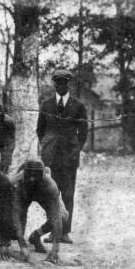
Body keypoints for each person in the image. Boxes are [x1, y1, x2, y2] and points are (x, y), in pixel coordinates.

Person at [36, 69, 88, 244]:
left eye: (64, 83)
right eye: (57, 83)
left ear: (68, 84)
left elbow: (84, 132)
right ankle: (53, 231)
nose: (61, 86)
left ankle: (64, 232)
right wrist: (47, 145)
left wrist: (75, 149)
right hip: (50, 157)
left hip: (69, 158)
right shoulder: (46, 105)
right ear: (54, 85)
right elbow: (40, 130)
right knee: (51, 193)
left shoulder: (78, 106)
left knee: (68, 193)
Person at [10, 158, 70, 265]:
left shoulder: (50, 185)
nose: (32, 179)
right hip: (24, 194)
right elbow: (16, 215)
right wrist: (22, 245)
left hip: (43, 194)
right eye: (30, 175)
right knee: (13, 230)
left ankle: (36, 235)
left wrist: (55, 250)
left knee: (63, 218)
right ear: (24, 173)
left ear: (42, 175)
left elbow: (56, 218)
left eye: (36, 175)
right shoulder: (16, 183)